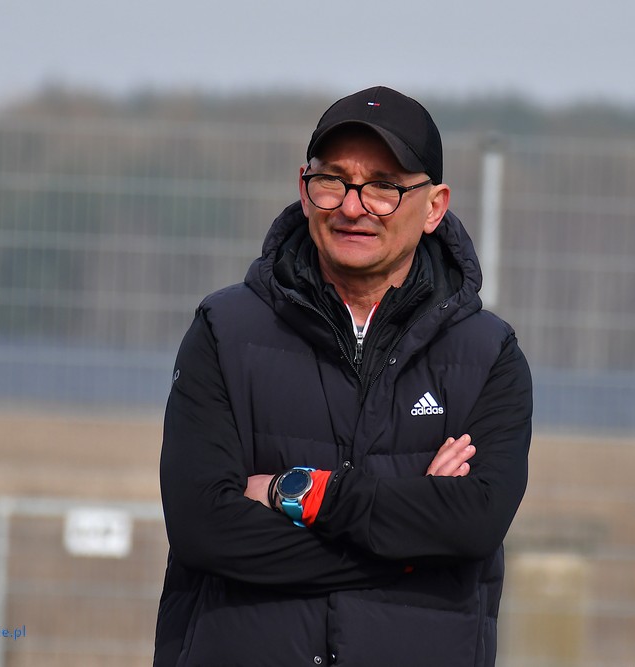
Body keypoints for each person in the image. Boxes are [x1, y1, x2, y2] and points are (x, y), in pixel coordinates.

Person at [154, 86, 532, 667]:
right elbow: (204, 528)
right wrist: (411, 549)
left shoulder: (488, 355)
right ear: (303, 190)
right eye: (333, 180)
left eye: (383, 186)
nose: (353, 207)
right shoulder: (225, 332)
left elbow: (472, 525)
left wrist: (299, 493)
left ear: (435, 206)